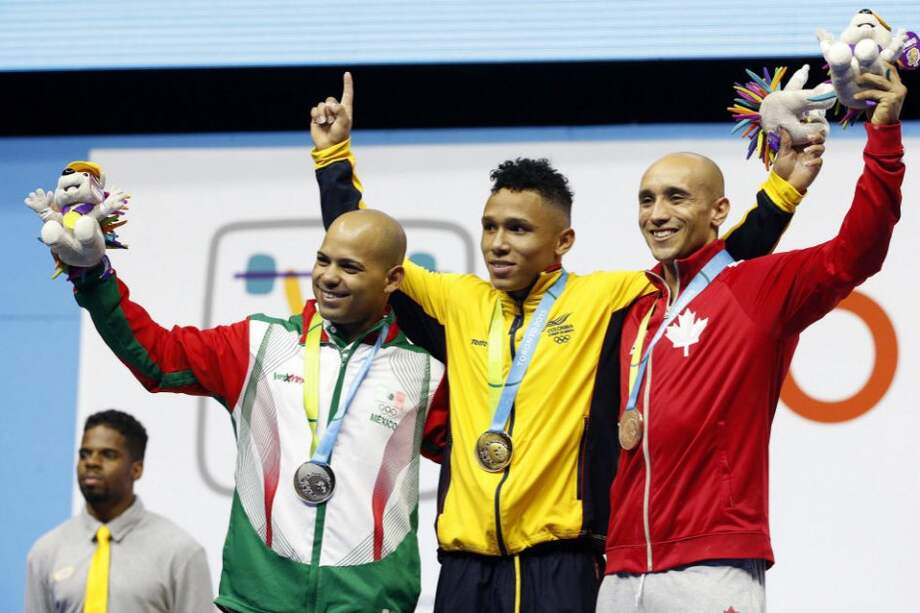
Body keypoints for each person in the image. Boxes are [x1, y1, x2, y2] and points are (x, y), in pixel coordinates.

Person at [307, 73, 824, 612]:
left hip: (562, 563)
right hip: (464, 566)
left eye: (518, 230)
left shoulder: (609, 299)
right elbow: (364, 256)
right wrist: (333, 158)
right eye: (489, 227)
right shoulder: (456, 300)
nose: (498, 244)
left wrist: (782, 191)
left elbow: (715, 272)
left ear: (563, 241)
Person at [595, 67, 906, 612]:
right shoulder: (636, 312)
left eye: (675, 197)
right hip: (622, 572)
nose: (657, 214)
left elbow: (861, 248)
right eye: (646, 200)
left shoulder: (755, 288)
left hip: (711, 568)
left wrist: (883, 138)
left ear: (718, 211)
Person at [63, 210, 446, 612]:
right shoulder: (259, 345)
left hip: (370, 604)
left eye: (349, 267)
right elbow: (157, 357)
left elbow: (474, 471)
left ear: (392, 279)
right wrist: (92, 275)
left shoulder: (424, 372)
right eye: (322, 260)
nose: (329, 277)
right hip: (258, 603)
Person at [25, 409, 214, 613]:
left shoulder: (180, 553)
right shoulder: (46, 552)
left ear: (136, 469)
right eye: (84, 454)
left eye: (108, 455)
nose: (92, 463)